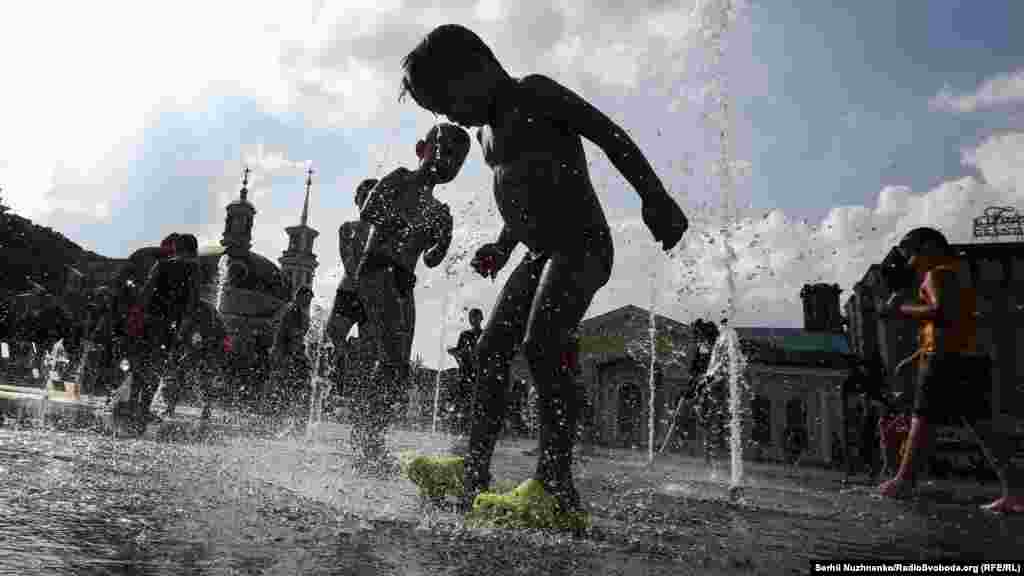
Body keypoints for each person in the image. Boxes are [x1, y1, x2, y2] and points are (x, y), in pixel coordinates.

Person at [399, 24, 688, 516]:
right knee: (490, 350)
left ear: (476, 69)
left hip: (581, 244)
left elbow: (608, 134)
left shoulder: (534, 92)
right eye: (439, 111)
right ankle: (473, 468)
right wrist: (502, 245)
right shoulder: (486, 134)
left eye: (448, 101)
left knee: (542, 343)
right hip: (537, 254)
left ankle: (555, 488)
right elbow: (523, 192)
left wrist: (653, 196)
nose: (450, 116)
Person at [342, 123, 468, 473]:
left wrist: (444, 238)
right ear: (420, 149)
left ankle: (369, 435)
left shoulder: (439, 211)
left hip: (404, 282)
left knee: (398, 368)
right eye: (443, 151)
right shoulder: (400, 179)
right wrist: (403, 222)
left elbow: (432, 260)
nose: (449, 162)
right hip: (376, 269)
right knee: (393, 359)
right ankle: (366, 441)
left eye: (458, 160)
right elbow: (368, 212)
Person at [878, 227, 1023, 513]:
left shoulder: (938, 274)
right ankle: (1017, 491)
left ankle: (904, 481)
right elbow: (957, 320)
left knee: (922, 418)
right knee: (983, 427)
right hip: (970, 357)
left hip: (946, 360)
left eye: (912, 255)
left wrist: (903, 309)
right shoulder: (958, 271)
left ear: (930, 247)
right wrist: (916, 356)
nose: (911, 263)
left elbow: (942, 311)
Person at [130, 233, 201, 426]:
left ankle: (132, 403)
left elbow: (146, 292)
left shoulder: (161, 264)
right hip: (169, 324)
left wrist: (139, 315)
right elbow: (193, 301)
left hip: (149, 320)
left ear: (177, 247)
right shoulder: (193, 268)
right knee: (156, 365)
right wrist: (186, 327)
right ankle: (144, 408)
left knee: (141, 361)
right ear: (193, 249)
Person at [268, 285, 313, 419]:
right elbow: (290, 334)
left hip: (290, 353)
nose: (308, 303)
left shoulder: (295, 311)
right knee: (289, 384)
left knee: (289, 385)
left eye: (309, 300)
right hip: (287, 353)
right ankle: (283, 415)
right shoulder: (293, 311)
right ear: (298, 297)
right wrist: (292, 354)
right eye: (306, 299)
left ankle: (284, 414)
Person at [446, 307, 484, 447]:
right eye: (471, 317)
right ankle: (461, 432)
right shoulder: (465, 334)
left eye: (475, 317)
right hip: (465, 374)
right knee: (462, 403)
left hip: (478, 375)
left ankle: (475, 433)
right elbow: (459, 353)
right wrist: (454, 353)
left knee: (477, 404)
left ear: (481, 318)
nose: (473, 320)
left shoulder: (485, 335)